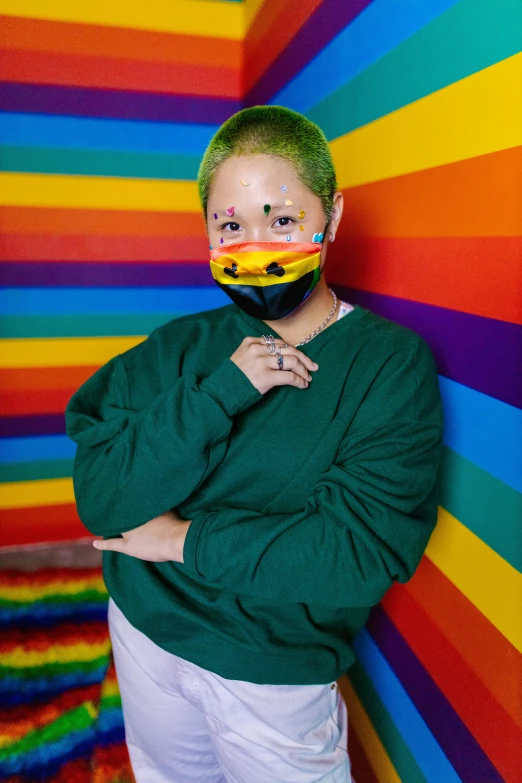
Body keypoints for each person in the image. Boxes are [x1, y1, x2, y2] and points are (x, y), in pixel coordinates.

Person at [65, 105, 444, 783]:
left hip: (271, 672)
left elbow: (353, 556)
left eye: (282, 218)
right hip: (146, 633)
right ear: (207, 229)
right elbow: (102, 497)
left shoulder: (390, 366)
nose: (256, 244)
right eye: (231, 225)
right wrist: (220, 392)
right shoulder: (177, 348)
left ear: (331, 217)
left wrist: (180, 538)